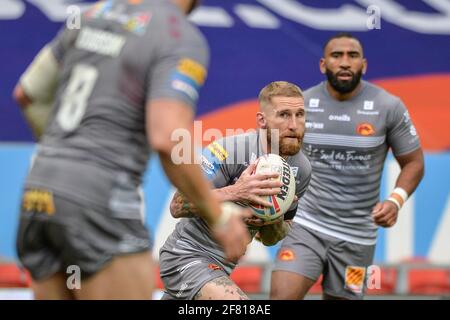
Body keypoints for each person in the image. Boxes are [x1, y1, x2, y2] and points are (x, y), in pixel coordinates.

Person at [13, 0, 251, 300]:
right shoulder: (177, 34)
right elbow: (167, 138)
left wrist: (65, 155)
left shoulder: (90, 15)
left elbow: (27, 94)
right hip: (99, 200)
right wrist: (218, 218)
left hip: (40, 190)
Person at [270, 33, 425, 300]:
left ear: (363, 65)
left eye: (352, 56)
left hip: (357, 237)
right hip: (306, 225)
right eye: (336, 55)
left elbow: (414, 163)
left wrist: (395, 201)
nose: (344, 62)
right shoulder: (301, 106)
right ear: (323, 64)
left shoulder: (388, 106)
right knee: (281, 296)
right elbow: (275, 156)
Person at [159, 81, 312, 300]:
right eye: (284, 115)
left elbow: (270, 239)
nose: (294, 125)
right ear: (262, 120)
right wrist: (236, 191)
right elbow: (177, 205)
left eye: (300, 115)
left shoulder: (302, 170)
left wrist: (273, 219)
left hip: (222, 267)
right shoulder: (230, 150)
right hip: (186, 256)